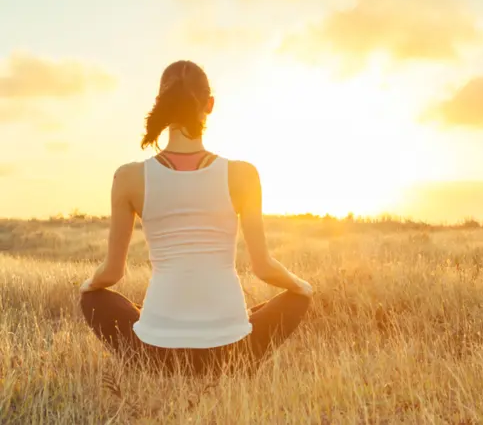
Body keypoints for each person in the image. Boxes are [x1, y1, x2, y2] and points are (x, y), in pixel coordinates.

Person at [78, 60, 313, 377]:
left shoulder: (128, 177)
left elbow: (112, 273)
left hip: (156, 353)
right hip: (231, 352)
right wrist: (302, 287)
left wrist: (88, 285)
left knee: (94, 298)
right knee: (294, 299)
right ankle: (231, 360)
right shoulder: (243, 174)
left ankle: (153, 353)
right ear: (209, 105)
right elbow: (263, 267)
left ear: (159, 104)